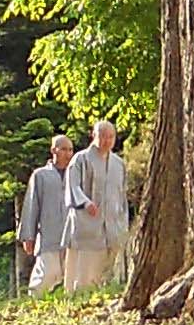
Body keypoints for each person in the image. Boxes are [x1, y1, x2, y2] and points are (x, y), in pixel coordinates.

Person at [65, 119, 133, 293]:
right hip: (87, 224)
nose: (107, 141)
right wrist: (85, 202)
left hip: (113, 223)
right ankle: (78, 295)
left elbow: (122, 194)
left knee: (109, 268)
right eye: (102, 136)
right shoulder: (80, 159)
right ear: (93, 136)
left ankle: (105, 292)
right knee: (84, 269)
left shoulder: (119, 164)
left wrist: (123, 220)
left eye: (111, 137)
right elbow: (73, 186)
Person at [15, 134, 74, 294]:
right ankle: (33, 305)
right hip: (49, 235)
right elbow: (31, 205)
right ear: (53, 150)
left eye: (70, 150)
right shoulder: (40, 175)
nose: (68, 154)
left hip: (73, 236)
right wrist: (28, 235)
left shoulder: (76, 173)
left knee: (74, 278)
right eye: (64, 149)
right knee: (45, 276)